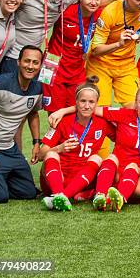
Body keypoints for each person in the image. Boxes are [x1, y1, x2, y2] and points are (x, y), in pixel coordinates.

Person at [49, 83, 140, 212]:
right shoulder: (123, 114)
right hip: (118, 167)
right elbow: (89, 107)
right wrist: (63, 110)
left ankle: (108, 195)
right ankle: (100, 195)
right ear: (135, 103)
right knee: (111, 158)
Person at [39, 76, 114, 211]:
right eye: (83, 101)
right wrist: (59, 148)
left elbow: (122, 137)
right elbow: (40, 154)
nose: (86, 106)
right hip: (58, 177)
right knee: (51, 155)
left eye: (91, 102)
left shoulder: (102, 123)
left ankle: (65, 197)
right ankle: (59, 193)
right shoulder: (62, 121)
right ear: (76, 102)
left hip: (82, 179)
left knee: (97, 158)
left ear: (97, 104)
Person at [0, 45, 43, 203]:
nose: (30, 66)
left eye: (35, 62)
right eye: (26, 61)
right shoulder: (1, 83)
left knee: (28, 192)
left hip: (9, 149)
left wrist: (36, 143)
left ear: (40, 66)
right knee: (0, 196)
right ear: (18, 62)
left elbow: (33, 114)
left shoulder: (37, 88)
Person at [42, 0, 104, 113]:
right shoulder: (65, 11)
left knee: (76, 111)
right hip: (52, 64)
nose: (93, 2)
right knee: (53, 112)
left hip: (77, 68)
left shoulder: (100, 15)